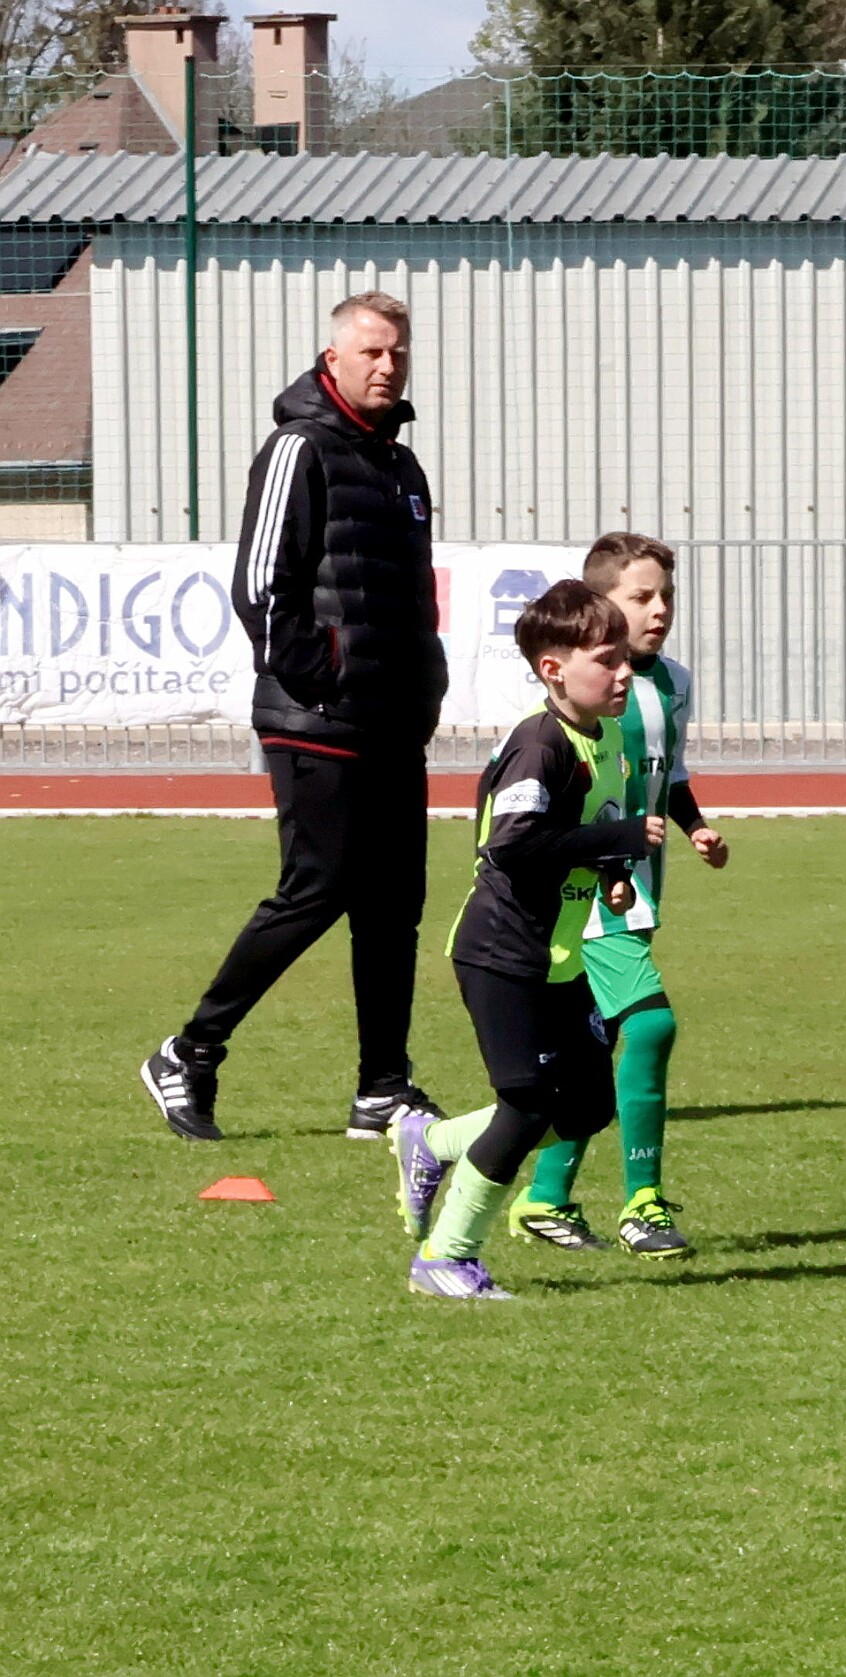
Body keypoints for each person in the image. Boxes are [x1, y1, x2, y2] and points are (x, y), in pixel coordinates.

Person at [140, 292, 448, 1143]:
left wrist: (425, 684)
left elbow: (413, 596)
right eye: (372, 351)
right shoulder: (298, 448)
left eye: (399, 352)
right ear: (333, 358)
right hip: (317, 717)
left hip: (394, 724)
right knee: (318, 887)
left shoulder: (401, 467)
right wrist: (321, 677)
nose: (388, 366)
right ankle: (190, 1051)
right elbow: (259, 583)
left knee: (393, 906)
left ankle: (382, 1087)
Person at [391, 581, 661, 1302]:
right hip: (503, 955)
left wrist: (611, 872)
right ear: (553, 669)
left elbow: (580, 831)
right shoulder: (540, 744)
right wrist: (617, 837)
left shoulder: (604, 736)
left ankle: (434, 1143)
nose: (624, 673)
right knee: (528, 1105)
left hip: (559, 959)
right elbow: (511, 844)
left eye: (625, 657)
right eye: (607, 660)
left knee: (587, 1107)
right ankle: (446, 1257)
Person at [510, 533, 728, 1259]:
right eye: (642, 596)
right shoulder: (582, 696)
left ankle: (545, 1196)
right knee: (653, 1025)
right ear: (600, 604)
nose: (660, 609)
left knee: (591, 1049)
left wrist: (696, 828)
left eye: (667, 595)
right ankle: (642, 1203)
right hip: (592, 896)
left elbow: (672, 772)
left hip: (638, 890)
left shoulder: (674, 682)